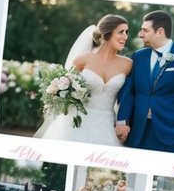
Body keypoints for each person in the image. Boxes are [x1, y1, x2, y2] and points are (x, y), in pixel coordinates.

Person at [115, 10, 174, 154]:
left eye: (145, 30)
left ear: (160, 32)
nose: (140, 34)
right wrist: (122, 120)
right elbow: (129, 92)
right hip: (137, 131)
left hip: (170, 133)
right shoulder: (138, 56)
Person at [39, 14, 132, 144]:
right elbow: (65, 86)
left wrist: (123, 122)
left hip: (108, 125)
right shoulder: (82, 60)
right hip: (78, 123)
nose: (125, 37)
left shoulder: (127, 64)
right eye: (121, 32)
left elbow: (129, 95)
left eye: (126, 32)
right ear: (106, 34)